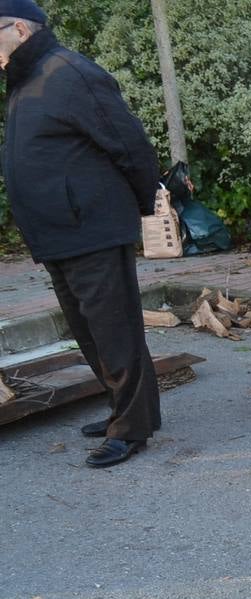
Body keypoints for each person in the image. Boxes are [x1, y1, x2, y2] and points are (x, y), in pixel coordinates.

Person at [1, 0, 161, 468]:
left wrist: (140, 206)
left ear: (18, 29)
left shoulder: (68, 72)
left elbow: (130, 144)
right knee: (91, 331)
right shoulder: (28, 77)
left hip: (91, 227)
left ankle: (131, 430)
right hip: (59, 232)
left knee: (115, 331)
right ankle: (127, 411)